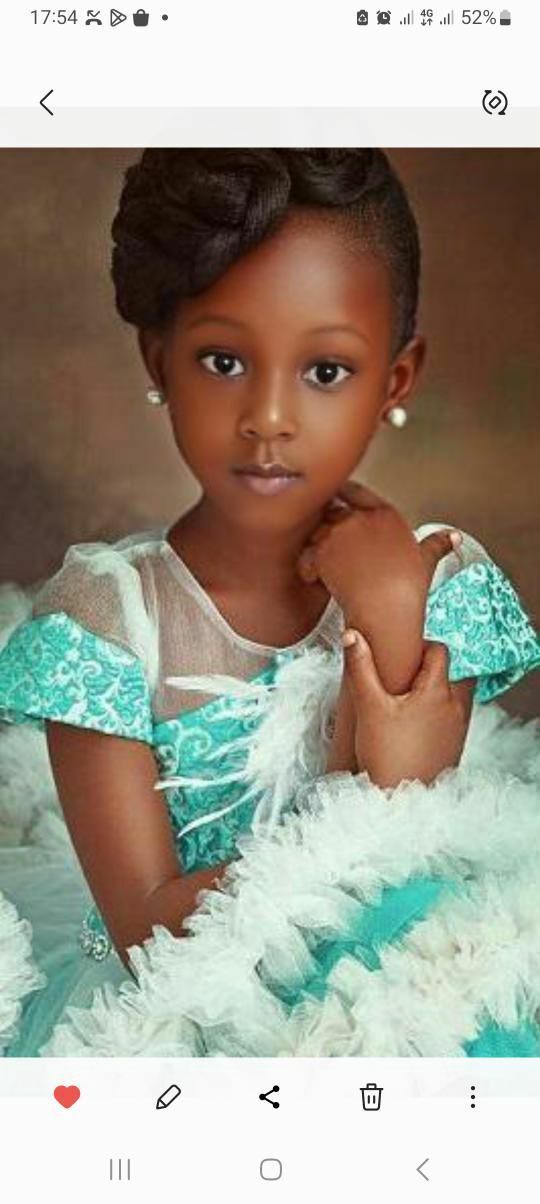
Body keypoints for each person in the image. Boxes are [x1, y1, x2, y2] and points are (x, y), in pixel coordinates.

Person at [0, 148, 538, 1058]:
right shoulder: (108, 623)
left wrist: (387, 604)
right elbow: (149, 934)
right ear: (159, 359)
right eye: (223, 360)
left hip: (392, 984)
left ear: (395, 380)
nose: (270, 417)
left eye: (325, 371)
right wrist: (369, 799)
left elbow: (428, 852)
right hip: (195, 1013)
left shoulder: (431, 579)